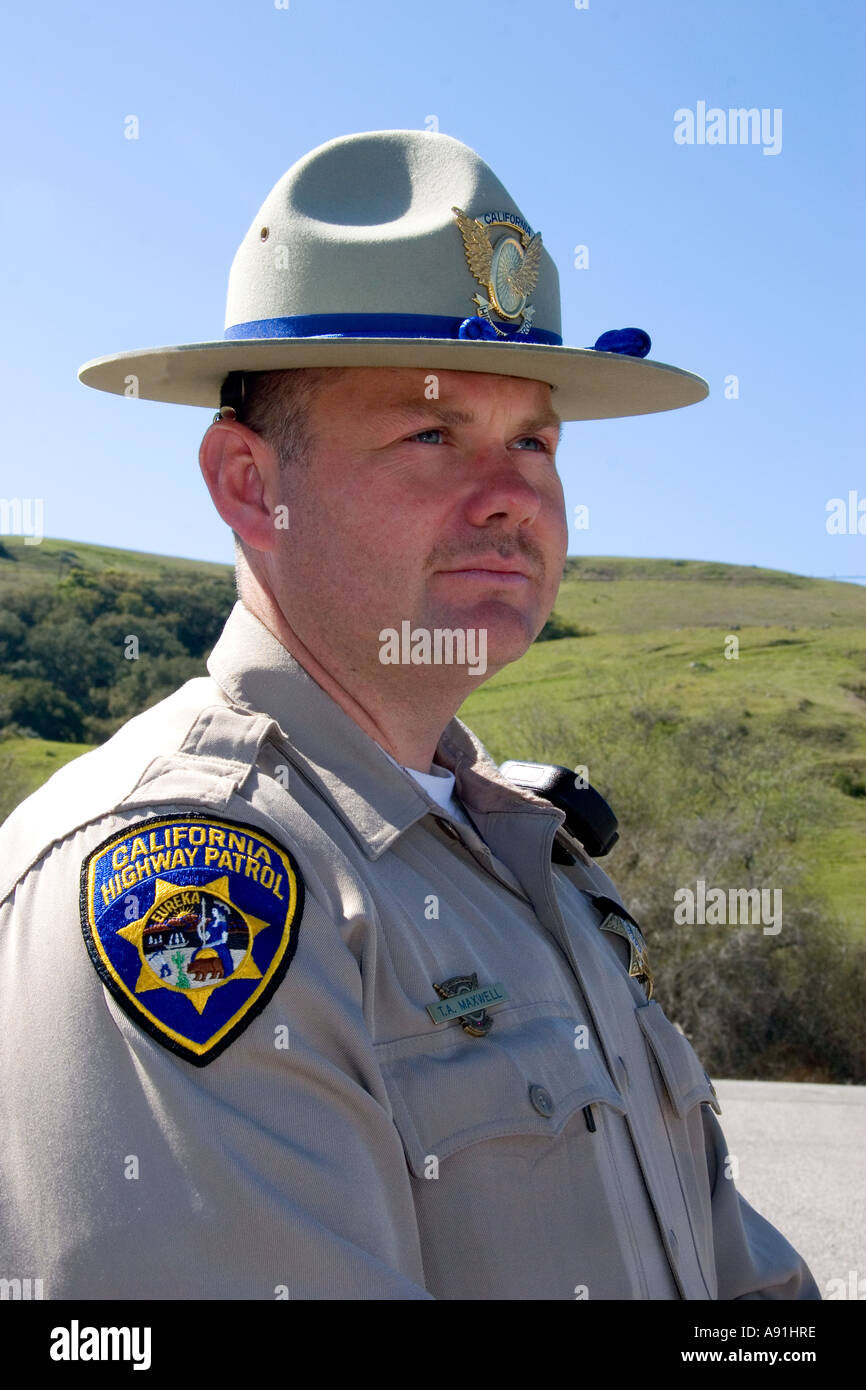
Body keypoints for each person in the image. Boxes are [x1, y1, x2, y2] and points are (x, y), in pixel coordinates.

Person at [0, 129, 819, 1300]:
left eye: (533, 439)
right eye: (431, 433)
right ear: (250, 484)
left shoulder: (525, 855)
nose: (511, 498)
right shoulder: (185, 880)